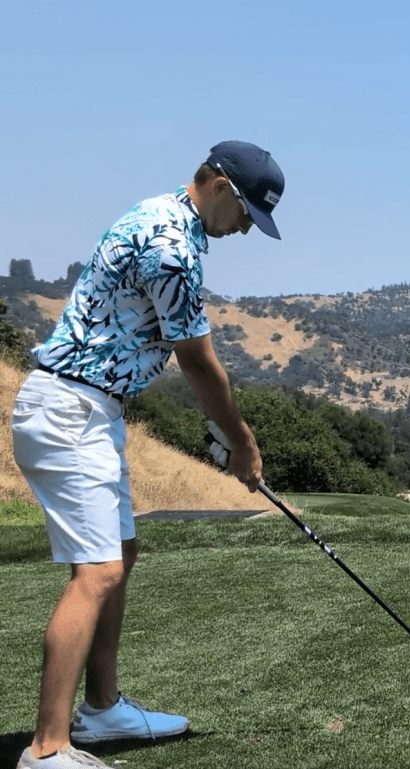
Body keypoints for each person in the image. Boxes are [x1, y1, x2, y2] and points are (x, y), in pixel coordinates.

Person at [11, 141, 285, 769]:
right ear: (218, 186)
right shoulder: (172, 246)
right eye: (245, 213)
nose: (244, 228)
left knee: (120, 552)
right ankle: (48, 750)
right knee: (98, 573)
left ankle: (103, 712)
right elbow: (197, 360)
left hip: (87, 408)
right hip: (72, 410)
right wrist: (242, 443)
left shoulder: (159, 216)